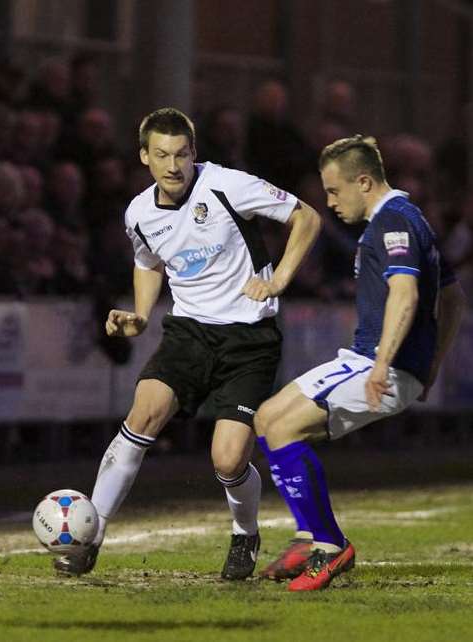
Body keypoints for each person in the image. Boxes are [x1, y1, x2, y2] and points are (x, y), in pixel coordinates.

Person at [53, 107, 322, 579]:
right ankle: (88, 535)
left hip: (248, 339)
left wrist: (278, 279)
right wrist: (139, 314)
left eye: (181, 154)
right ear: (145, 158)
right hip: (189, 333)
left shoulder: (228, 185)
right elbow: (148, 261)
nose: (173, 165)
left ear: (194, 153)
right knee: (143, 414)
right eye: (162, 155)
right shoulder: (138, 212)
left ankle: (245, 533)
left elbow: (307, 219)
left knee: (228, 458)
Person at [254, 135, 466, 591]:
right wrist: (432, 366)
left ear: (364, 181)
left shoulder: (394, 222)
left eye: (334, 191)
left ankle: (331, 547)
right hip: (369, 360)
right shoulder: (408, 218)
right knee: (268, 417)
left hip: (379, 365)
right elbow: (453, 298)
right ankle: (309, 536)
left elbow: (406, 295)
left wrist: (385, 362)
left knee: (285, 429)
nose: (329, 202)